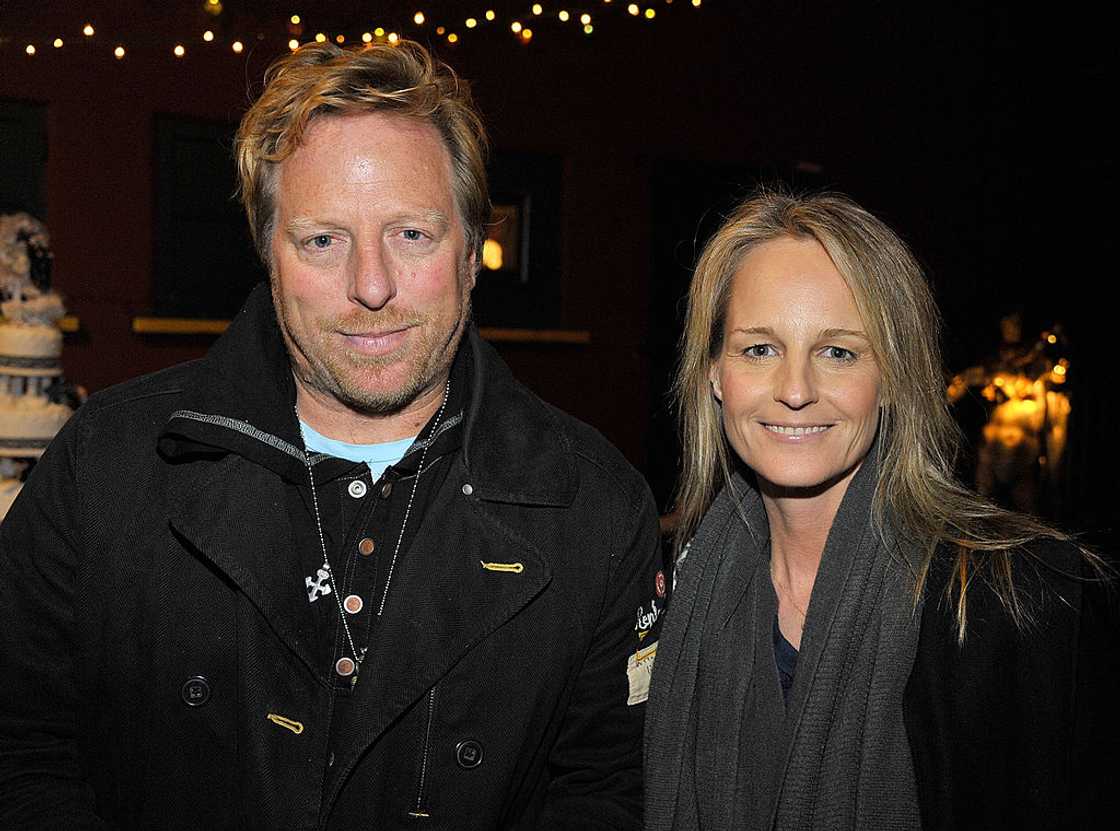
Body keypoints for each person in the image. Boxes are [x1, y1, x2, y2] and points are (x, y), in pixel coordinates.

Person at [0, 41, 662, 829]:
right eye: (322, 240)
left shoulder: (597, 511)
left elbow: (609, 791)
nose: (371, 286)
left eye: (412, 234)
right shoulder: (105, 466)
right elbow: (23, 749)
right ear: (268, 254)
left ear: (471, 250)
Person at [644, 191, 1117, 830]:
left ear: (893, 377)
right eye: (760, 349)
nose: (794, 390)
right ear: (713, 374)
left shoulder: (1022, 602)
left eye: (838, 351)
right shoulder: (670, 587)